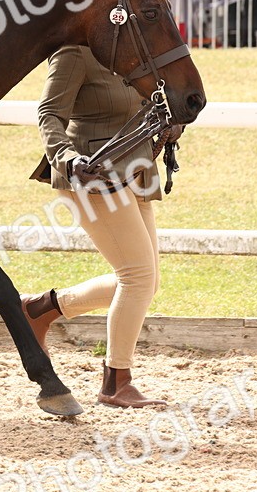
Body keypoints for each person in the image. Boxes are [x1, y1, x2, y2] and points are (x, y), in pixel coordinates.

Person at [20, 44, 180, 409]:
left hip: (135, 168)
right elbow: (48, 114)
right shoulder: (75, 52)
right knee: (137, 277)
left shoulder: (135, 46)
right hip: (92, 175)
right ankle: (115, 381)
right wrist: (68, 159)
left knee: (146, 281)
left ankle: (41, 309)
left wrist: (172, 121)